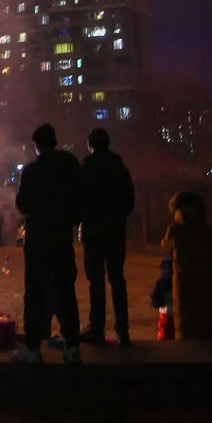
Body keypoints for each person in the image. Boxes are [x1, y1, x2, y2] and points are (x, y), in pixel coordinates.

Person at [12, 123, 82, 364]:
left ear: (37, 145)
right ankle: (73, 346)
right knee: (66, 291)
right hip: (62, 237)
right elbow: (78, 198)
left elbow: (22, 204)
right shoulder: (70, 166)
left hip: (38, 239)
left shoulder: (31, 171)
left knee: (34, 292)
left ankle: (33, 348)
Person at [79, 127, 135, 346]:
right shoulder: (119, 168)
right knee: (117, 278)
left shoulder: (86, 168)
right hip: (115, 230)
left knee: (96, 281)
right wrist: (118, 217)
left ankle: (97, 328)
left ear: (90, 145)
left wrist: (84, 218)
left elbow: (78, 198)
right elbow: (129, 199)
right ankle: (123, 330)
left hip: (93, 231)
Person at [161, 191, 212, 340]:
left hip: (187, 302)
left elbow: (165, 246)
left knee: (190, 349)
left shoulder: (175, 232)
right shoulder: (211, 232)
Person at [149, 258, 175, 340]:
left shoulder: (161, 283)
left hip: (167, 316)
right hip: (181, 316)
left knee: (165, 342)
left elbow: (156, 301)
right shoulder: (182, 280)